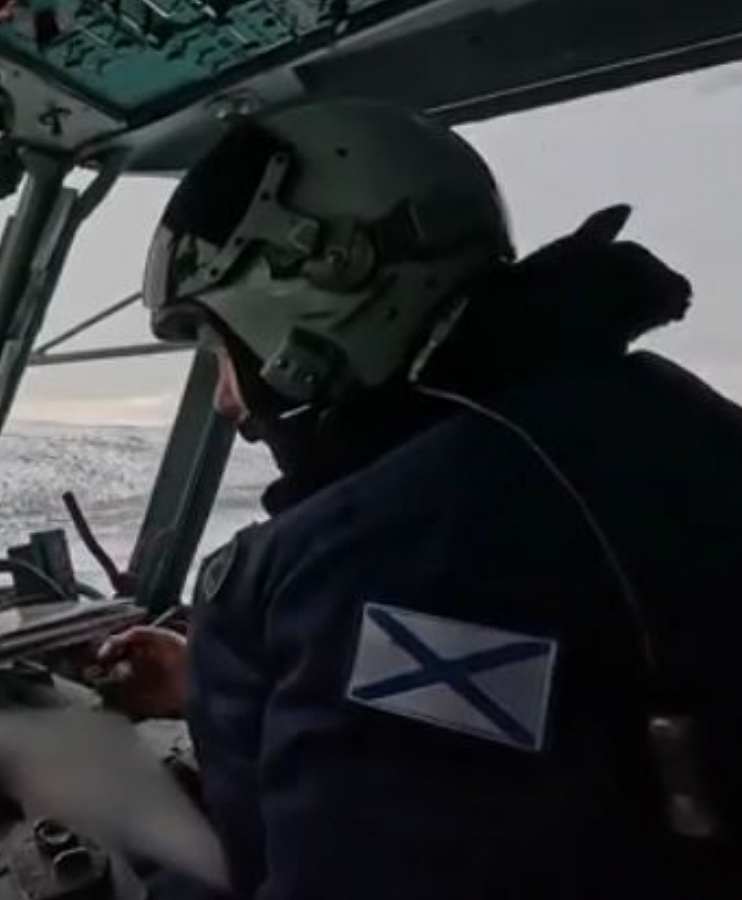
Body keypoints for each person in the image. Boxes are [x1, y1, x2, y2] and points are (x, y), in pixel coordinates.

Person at [97, 98, 742, 898]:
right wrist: (218, 681)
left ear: (332, 281)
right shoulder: (643, 419)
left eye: (223, 349)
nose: (230, 399)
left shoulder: (411, 547)